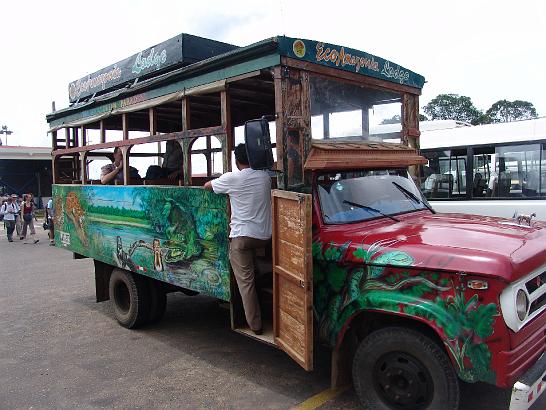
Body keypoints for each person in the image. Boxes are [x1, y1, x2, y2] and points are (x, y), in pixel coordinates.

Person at [204, 144, 271, 335]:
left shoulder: (233, 178)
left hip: (242, 239)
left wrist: (221, 178)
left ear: (236, 161)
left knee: (246, 282)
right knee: (257, 271)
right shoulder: (265, 177)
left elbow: (207, 186)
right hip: (264, 237)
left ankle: (256, 325)